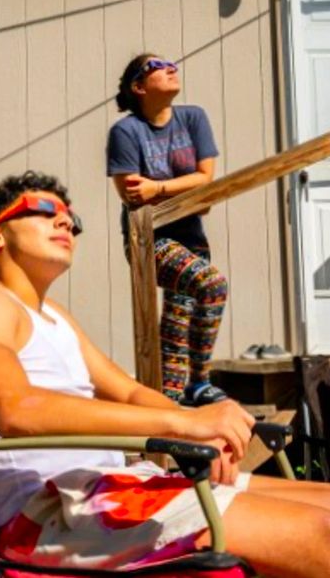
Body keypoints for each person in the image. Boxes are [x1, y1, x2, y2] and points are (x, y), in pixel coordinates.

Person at [0, 170, 330, 578]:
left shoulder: (54, 317)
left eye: (71, 217)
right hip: (47, 513)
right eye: (45, 209)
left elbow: (130, 393)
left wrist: (199, 432)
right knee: (328, 534)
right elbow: (15, 410)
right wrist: (184, 421)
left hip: (106, 488)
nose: (65, 220)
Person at [107, 54, 228, 407]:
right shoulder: (126, 131)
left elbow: (205, 180)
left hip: (193, 239)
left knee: (176, 334)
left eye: (171, 62)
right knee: (212, 284)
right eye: (157, 65)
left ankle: (172, 409)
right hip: (151, 241)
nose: (170, 67)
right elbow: (132, 194)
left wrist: (158, 188)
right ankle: (201, 381)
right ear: (139, 87)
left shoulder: (193, 118)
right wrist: (184, 189)